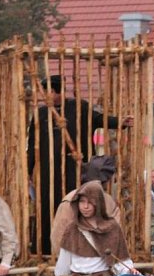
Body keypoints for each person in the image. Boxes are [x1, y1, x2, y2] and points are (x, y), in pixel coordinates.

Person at [27, 74, 130, 254]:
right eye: (45, 91)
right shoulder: (40, 115)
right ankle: (44, 250)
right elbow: (32, 146)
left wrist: (120, 123)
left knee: (77, 207)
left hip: (76, 171)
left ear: (58, 91)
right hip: (48, 172)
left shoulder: (79, 108)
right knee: (47, 208)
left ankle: (79, 248)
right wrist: (28, 171)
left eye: (50, 90)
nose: (47, 94)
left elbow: (100, 120)